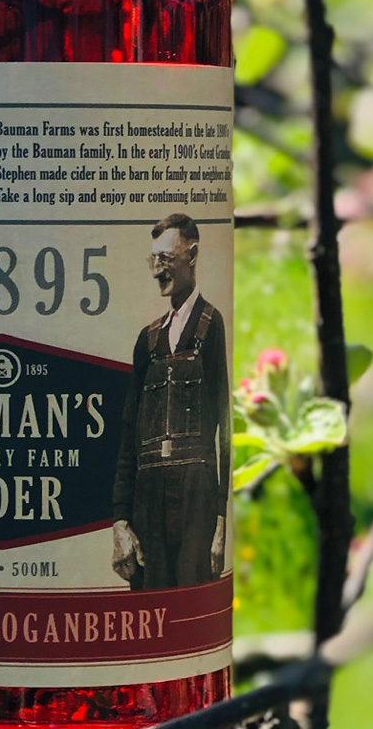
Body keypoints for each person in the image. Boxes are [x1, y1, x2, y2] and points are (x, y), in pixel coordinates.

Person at [111, 213, 229, 590]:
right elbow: (128, 434)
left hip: (196, 494)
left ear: (191, 255)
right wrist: (119, 521)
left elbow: (227, 429)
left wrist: (221, 521)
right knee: (149, 607)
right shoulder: (147, 340)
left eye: (165, 259)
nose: (157, 271)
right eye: (153, 260)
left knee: (192, 606)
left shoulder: (212, 325)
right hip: (148, 497)